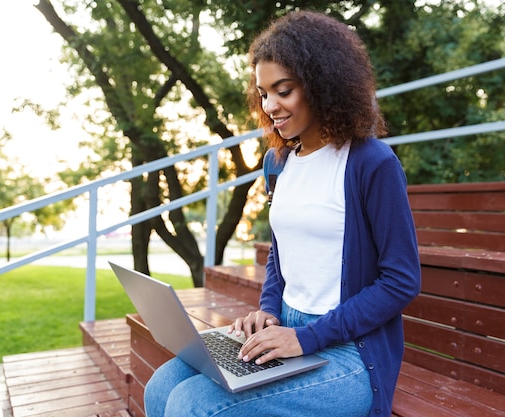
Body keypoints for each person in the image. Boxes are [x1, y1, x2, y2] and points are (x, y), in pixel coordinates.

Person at [144, 10, 421, 417]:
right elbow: (281, 252)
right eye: (263, 93)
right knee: (161, 386)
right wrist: (269, 312)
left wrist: (307, 338)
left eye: (284, 90)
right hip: (285, 333)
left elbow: (401, 281)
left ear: (322, 85)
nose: (270, 105)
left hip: (350, 353)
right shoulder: (278, 162)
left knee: (194, 406)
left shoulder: (370, 163)